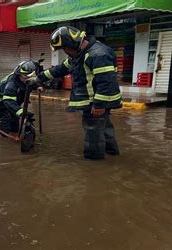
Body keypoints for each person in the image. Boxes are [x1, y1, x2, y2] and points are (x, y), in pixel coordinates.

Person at [34, 26, 122, 160]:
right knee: (104, 127)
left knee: (93, 132)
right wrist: (39, 78)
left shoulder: (98, 54)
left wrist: (99, 105)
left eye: (65, 48)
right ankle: (112, 154)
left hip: (95, 103)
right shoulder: (79, 54)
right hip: (96, 102)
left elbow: (106, 82)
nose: (65, 52)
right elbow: (61, 69)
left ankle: (93, 164)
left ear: (71, 44)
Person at [0, 61, 43, 136]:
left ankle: (14, 132)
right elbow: (9, 102)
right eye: (24, 76)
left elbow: (32, 81)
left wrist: (37, 86)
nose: (26, 79)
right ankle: (4, 137)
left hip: (4, 100)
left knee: (14, 115)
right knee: (5, 116)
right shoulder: (12, 85)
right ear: (18, 74)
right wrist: (22, 112)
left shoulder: (25, 79)